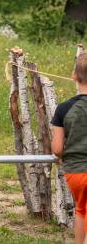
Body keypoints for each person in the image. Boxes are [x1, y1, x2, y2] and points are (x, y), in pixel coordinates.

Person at [52, 52, 87, 244]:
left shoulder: (63, 109)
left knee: (82, 210)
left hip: (76, 174)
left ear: (74, 75)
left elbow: (57, 148)